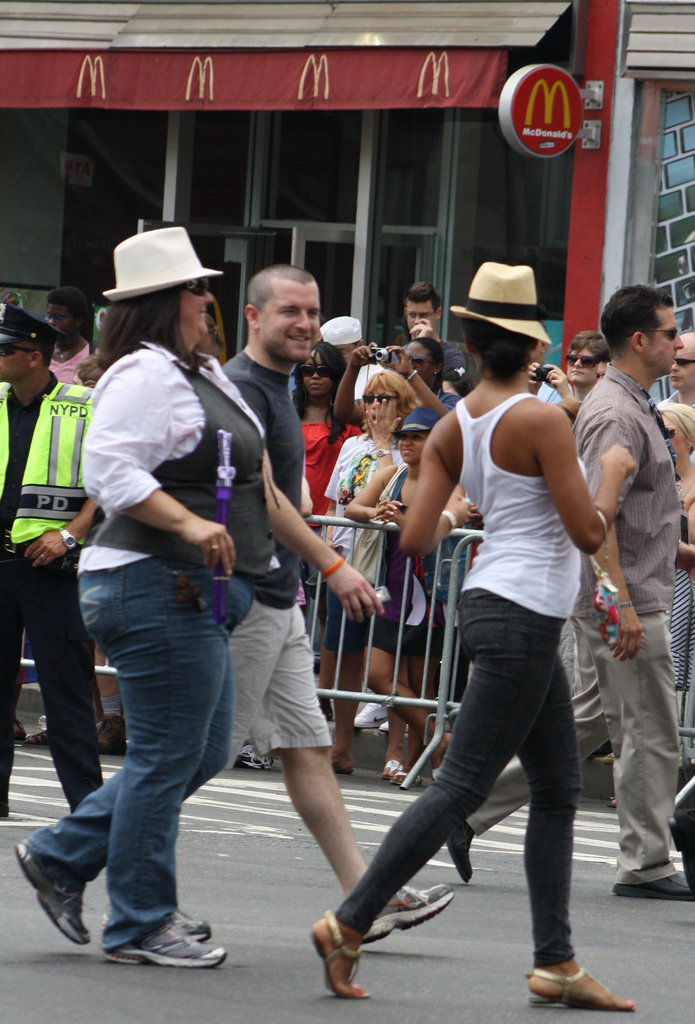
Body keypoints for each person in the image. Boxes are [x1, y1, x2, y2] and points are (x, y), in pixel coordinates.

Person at [310, 261, 636, 1010]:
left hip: (497, 604)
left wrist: (468, 511)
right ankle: (350, 920)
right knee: (460, 785)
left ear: (465, 339)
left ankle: (555, 961)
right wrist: (612, 471)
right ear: (529, 343)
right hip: (522, 614)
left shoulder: (459, 422)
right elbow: (587, 528)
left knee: (556, 786)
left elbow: (417, 537)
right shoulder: (538, 418)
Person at [14, 226, 267, 967]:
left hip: (184, 588)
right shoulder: (143, 375)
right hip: (151, 583)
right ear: (163, 302)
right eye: (193, 288)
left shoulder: (193, 370)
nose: (205, 298)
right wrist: (188, 522)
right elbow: (110, 469)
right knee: (164, 756)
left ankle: (64, 855)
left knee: (201, 750)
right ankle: (139, 920)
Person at [224, 265, 453, 939]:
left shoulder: (273, 388)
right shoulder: (243, 389)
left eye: (311, 311)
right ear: (252, 316)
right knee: (204, 749)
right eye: (288, 310)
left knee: (309, 745)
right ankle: (72, 851)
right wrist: (332, 563)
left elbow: (289, 498)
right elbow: (271, 499)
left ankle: (365, 897)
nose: (302, 323)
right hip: (254, 589)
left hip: (278, 590)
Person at [458, 283, 695, 902]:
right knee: (650, 727)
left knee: (587, 720)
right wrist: (617, 598)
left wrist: (679, 552)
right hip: (624, 597)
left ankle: (463, 812)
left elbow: (638, 513)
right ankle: (644, 863)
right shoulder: (618, 410)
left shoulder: (632, 399)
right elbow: (601, 515)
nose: (677, 343)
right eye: (670, 333)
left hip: (624, 588)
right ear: (640, 340)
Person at [0, 302, 102, 818]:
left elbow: (112, 482)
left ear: (34, 356)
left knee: (66, 691)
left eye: (4, 349)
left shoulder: (83, 405)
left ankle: (87, 807)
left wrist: (70, 534)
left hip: (50, 568)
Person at [344, 407, 467, 783]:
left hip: (429, 595)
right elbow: (352, 507)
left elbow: (450, 518)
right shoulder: (391, 474)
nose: (407, 443)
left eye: (417, 436)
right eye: (403, 437)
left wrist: (404, 521)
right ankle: (437, 738)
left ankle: (416, 765)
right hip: (391, 590)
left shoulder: (448, 482)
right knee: (379, 674)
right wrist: (374, 511)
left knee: (421, 683)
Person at [323, 370, 417, 776]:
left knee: (390, 661)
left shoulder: (408, 449)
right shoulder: (350, 445)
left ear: (401, 405)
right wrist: (327, 538)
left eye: (385, 398)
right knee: (345, 653)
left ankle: (394, 751)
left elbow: (389, 488)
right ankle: (340, 745)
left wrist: (384, 444)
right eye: (370, 398)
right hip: (348, 563)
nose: (375, 405)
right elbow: (334, 503)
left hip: (391, 567)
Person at [292, 339, 360, 517]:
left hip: (332, 522)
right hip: (291, 517)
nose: (315, 376)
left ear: (335, 374)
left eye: (323, 371)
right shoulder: (286, 414)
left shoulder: (348, 416)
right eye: (307, 370)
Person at [661, 404, 695, 692]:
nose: (661, 437)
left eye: (669, 431)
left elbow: (690, 534)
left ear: (690, 440)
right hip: (649, 588)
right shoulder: (649, 480)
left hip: (684, 588)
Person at [402, 281, 467, 370]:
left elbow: (447, 384)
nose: (417, 321)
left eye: (423, 315)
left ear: (438, 313)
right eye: (412, 315)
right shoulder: (399, 354)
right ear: (406, 313)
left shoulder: (451, 357)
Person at [46, 286, 91, 383]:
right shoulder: (40, 352)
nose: (51, 322)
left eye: (58, 317)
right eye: (49, 316)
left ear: (78, 320)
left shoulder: (93, 356)